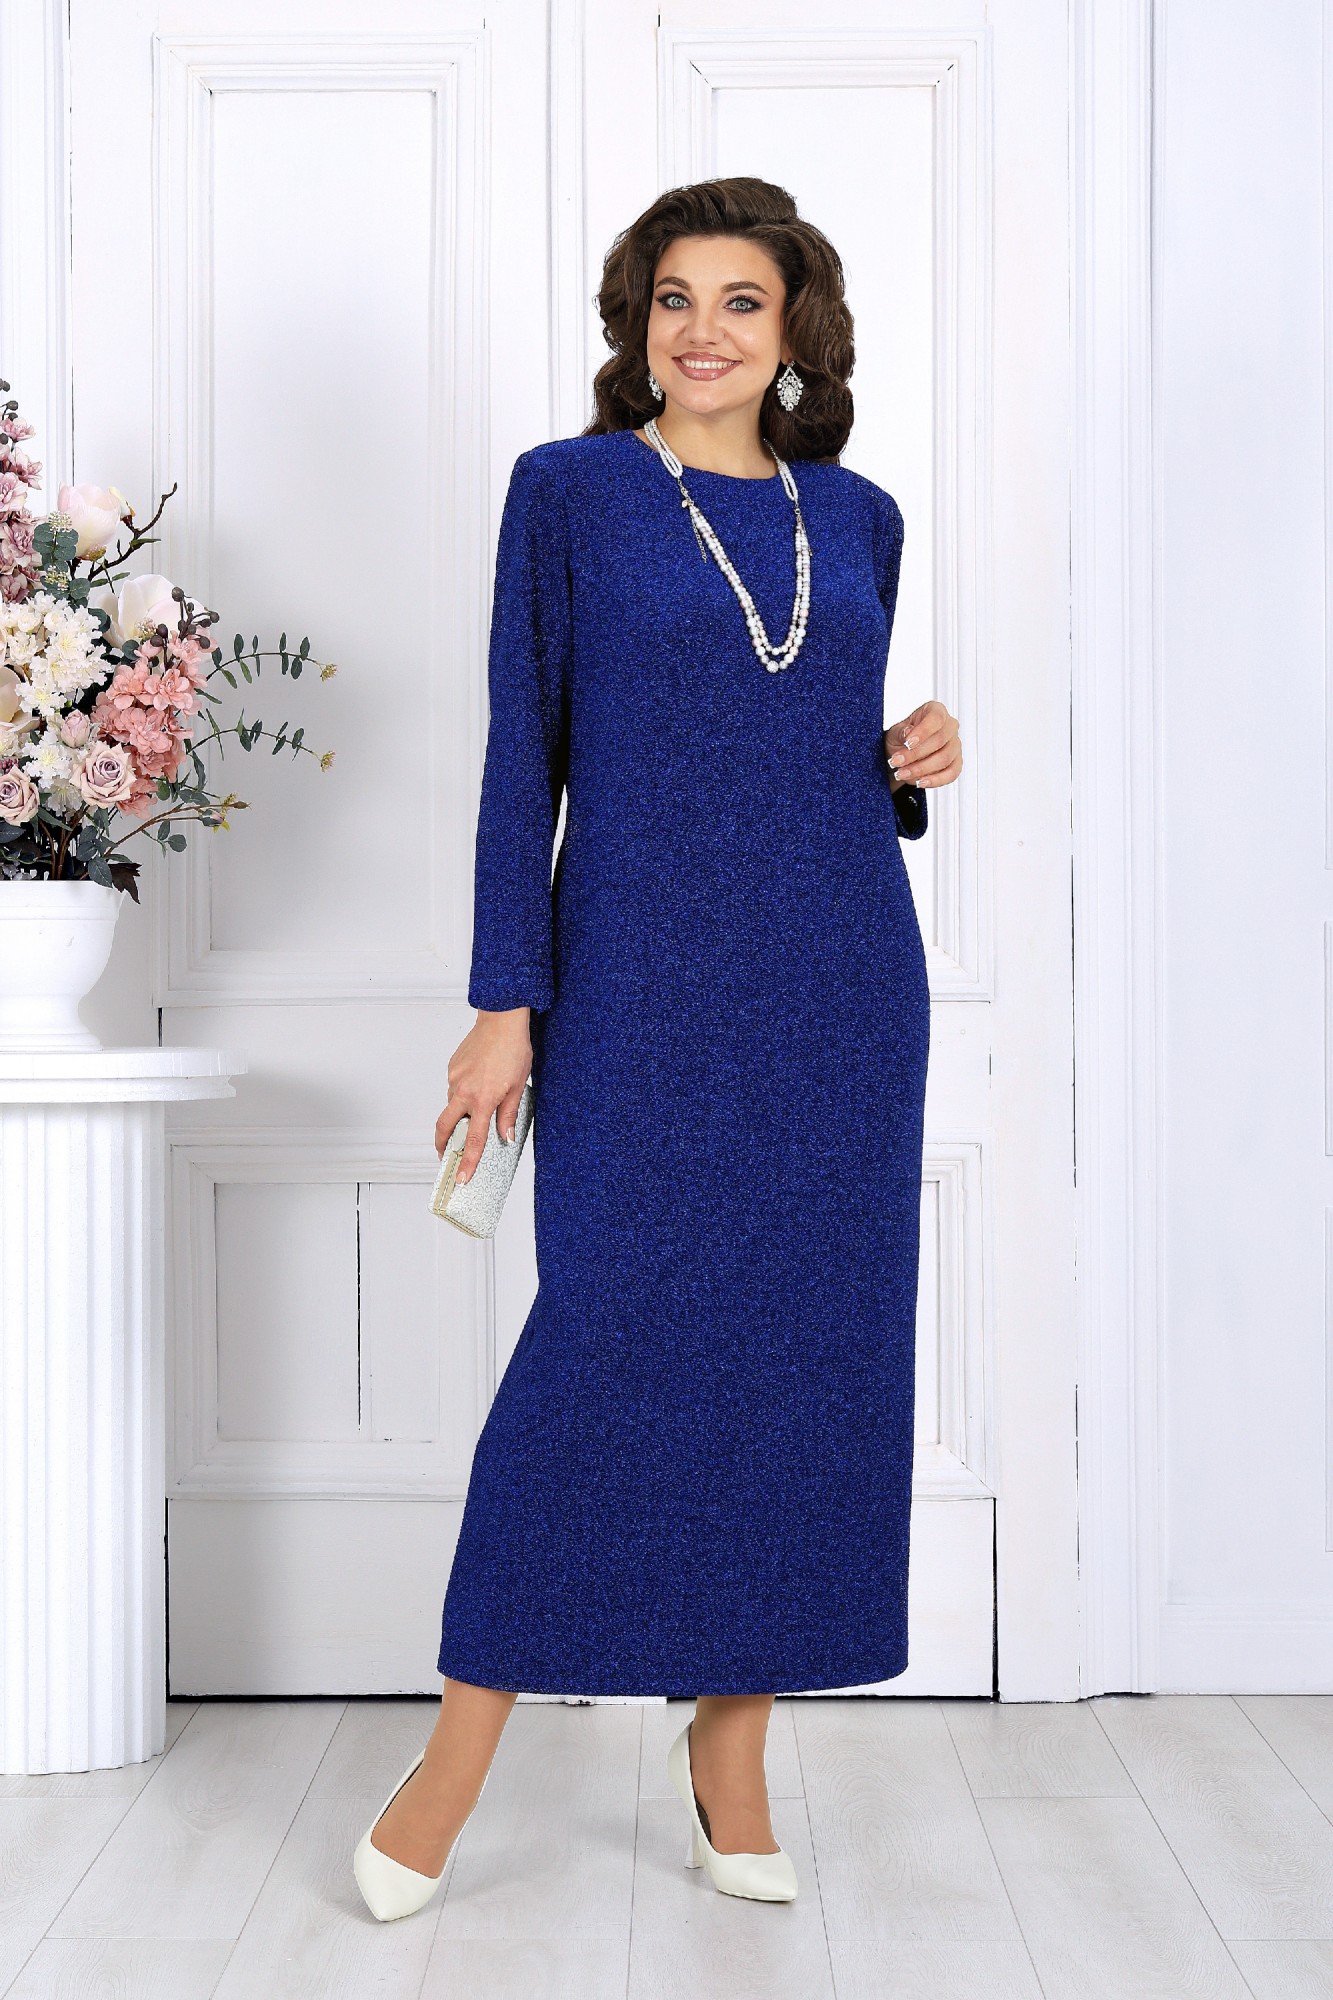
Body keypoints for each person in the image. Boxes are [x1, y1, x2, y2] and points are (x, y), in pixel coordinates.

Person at [353, 175, 963, 1924]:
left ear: (794, 333)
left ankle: (732, 1760)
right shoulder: (570, 494)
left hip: (840, 995)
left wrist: (907, 754)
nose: (702, 330)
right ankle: (451, 1764)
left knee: (804, 1366)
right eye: (672, 298)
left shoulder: (859, 517)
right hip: (632, 989)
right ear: (636, 323)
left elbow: (795, 746)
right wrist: (504, 1001)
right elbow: (521, 758)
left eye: (740, 302)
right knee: (601, 1350)